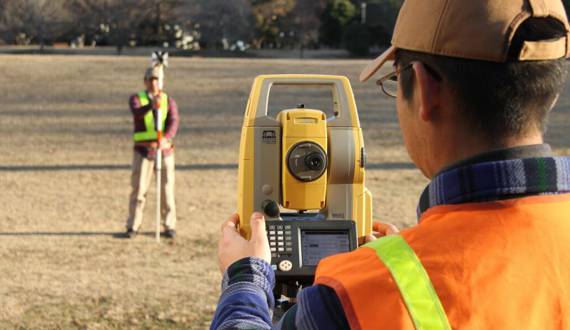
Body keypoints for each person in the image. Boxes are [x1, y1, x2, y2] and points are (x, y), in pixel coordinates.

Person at [211, 0, 570, 329]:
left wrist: (246, 280)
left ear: (426, 92)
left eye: (394, 80)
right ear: (551, 94)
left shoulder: (352, 298)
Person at [125, 66, 179, 239]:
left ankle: (169, 225)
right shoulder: (137, 99)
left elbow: (173, 121)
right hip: (143, 151)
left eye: (156, 79)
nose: (153, 83)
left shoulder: (168, 100)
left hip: (164, 151)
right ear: (145, 81)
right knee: (139, 190)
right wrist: (151, 105)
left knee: (166, 190)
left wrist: (166, 138)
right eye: (151, 79)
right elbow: (137, 113)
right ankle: (133, 225)